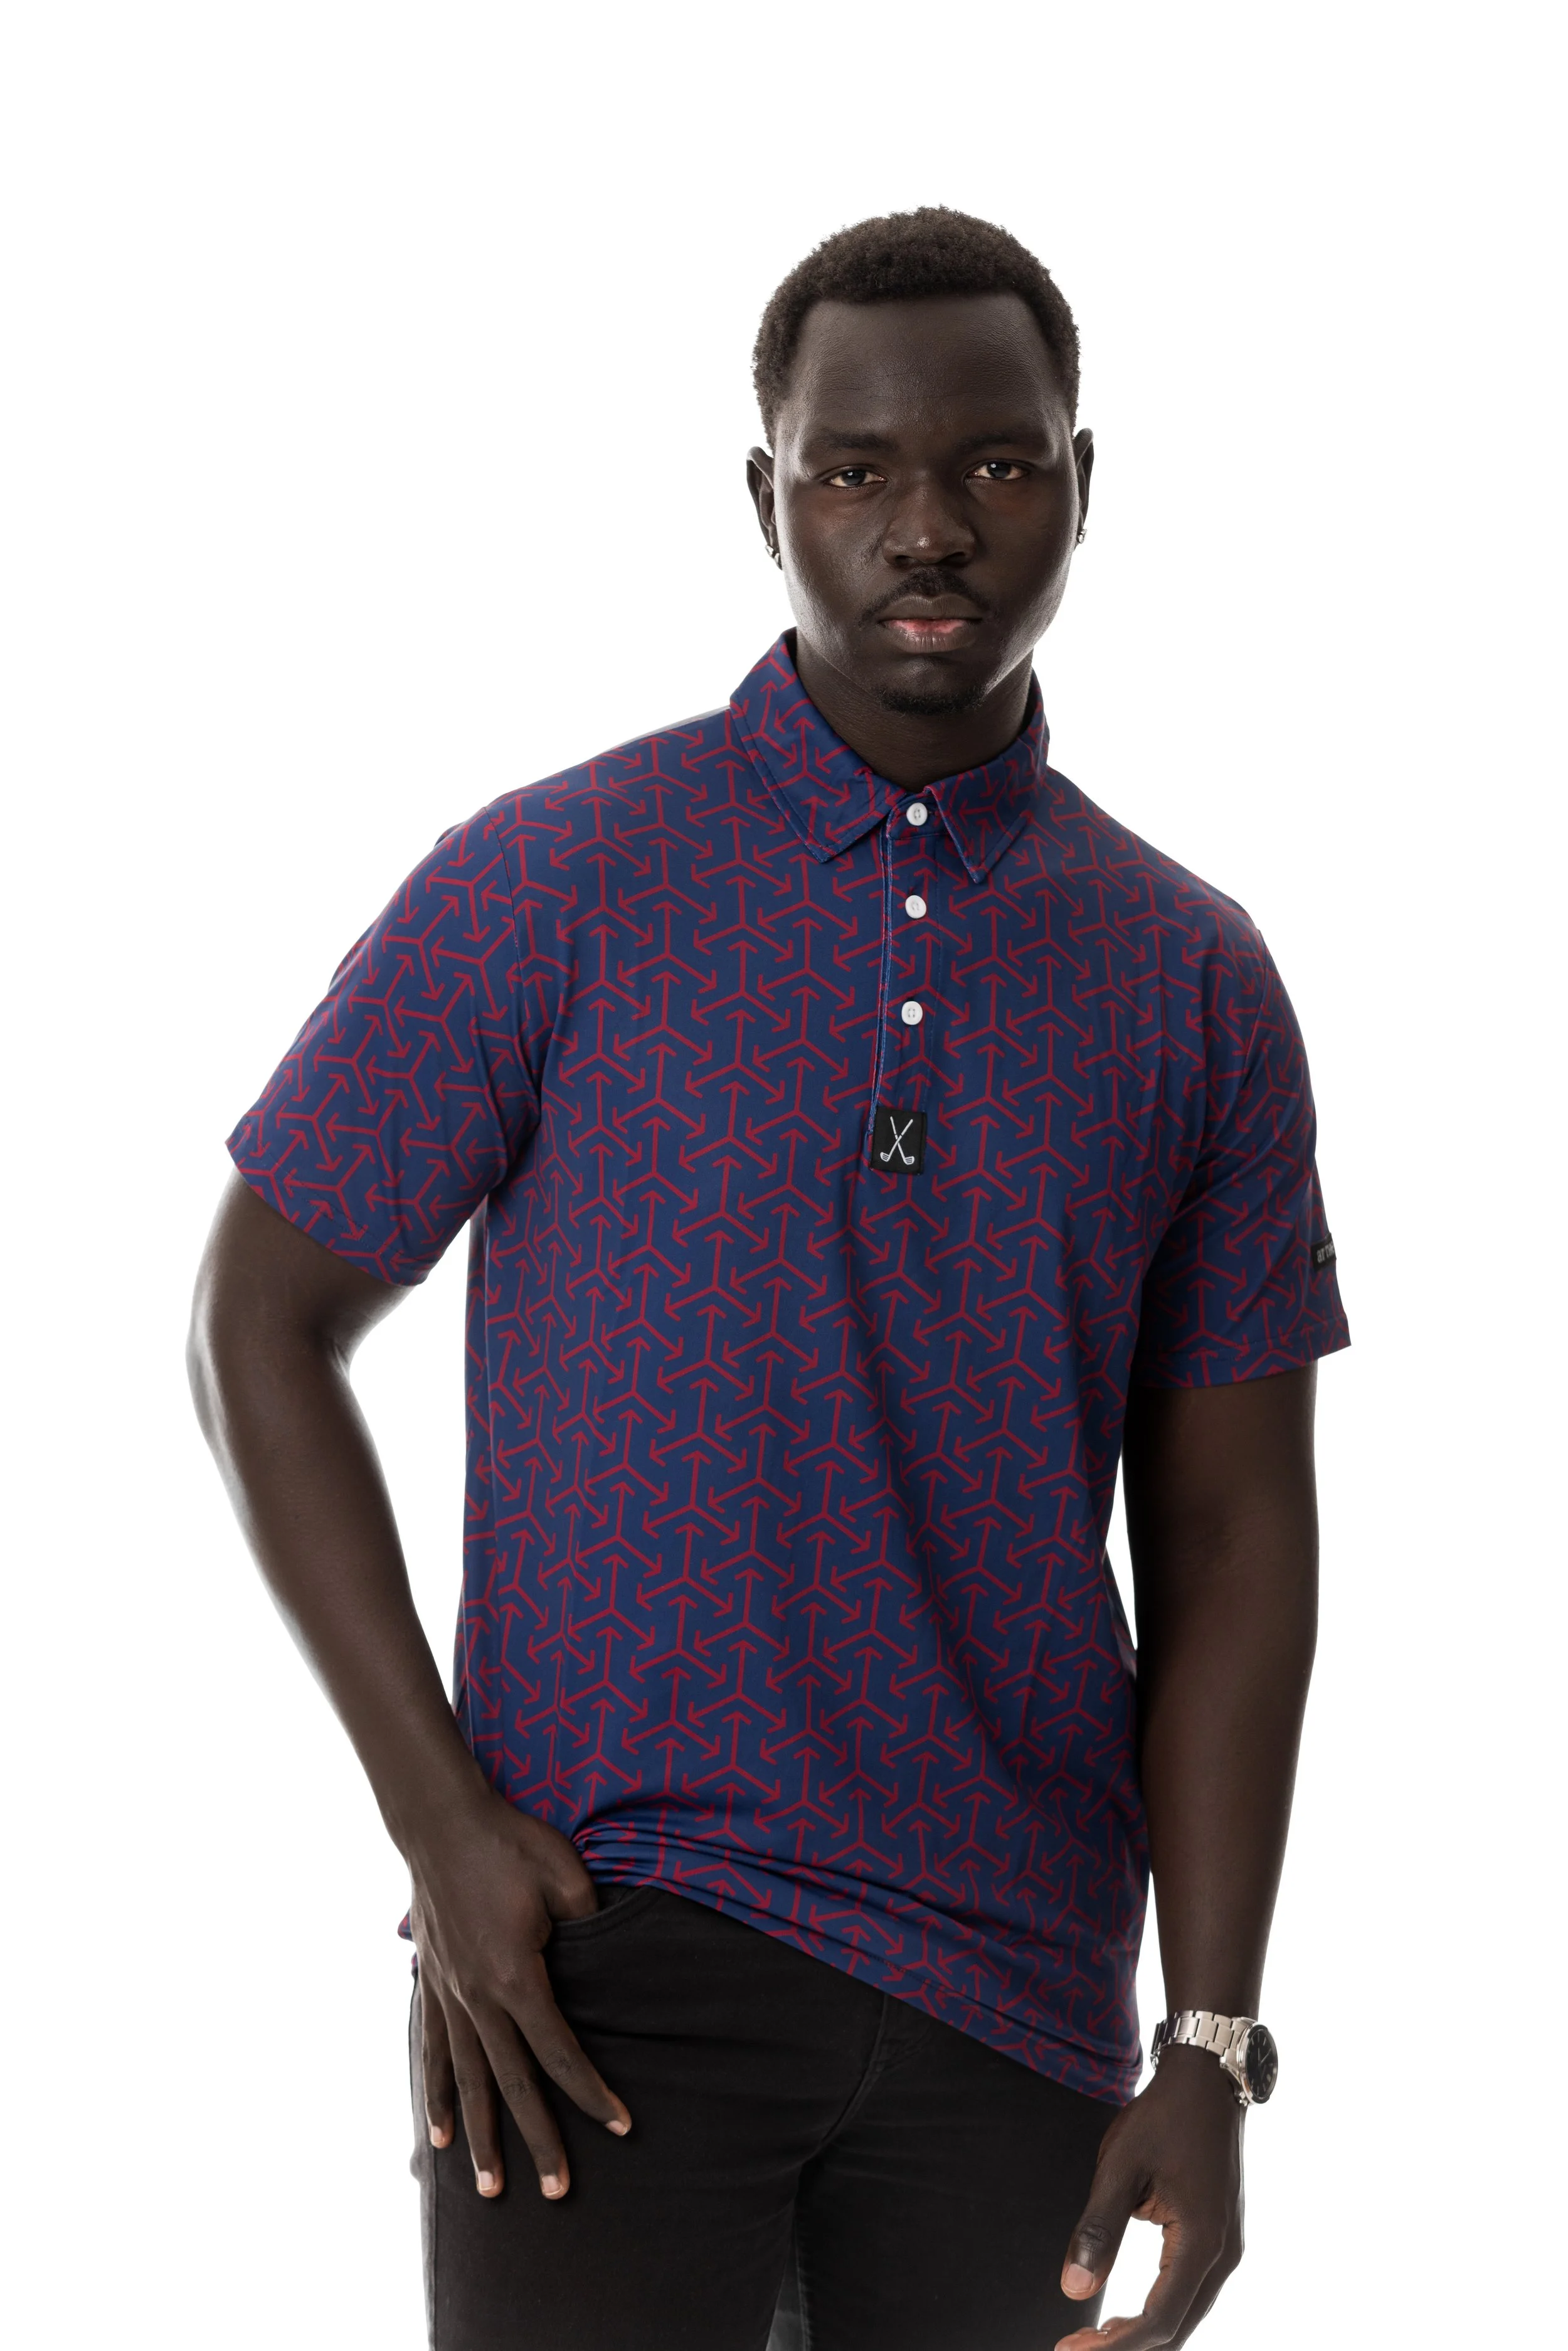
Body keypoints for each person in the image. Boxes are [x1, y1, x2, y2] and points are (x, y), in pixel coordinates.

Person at [189, 207, 1348, 2351]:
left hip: (1018, 1994)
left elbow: (1229, 1533)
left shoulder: (1185, 972)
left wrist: (1207, 2032)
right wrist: (439, 1824)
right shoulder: (550, 879)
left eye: (996, 464)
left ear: (1082, 484)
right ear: (766, 495)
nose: (928, 526)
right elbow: (258, 1319)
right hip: (597, 1963)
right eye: (854, 468)